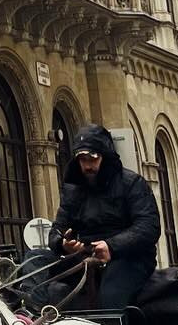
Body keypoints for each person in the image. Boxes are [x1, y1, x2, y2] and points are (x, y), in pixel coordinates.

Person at [44, 125, 160, 309]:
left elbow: (149, 226)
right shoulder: (73, 190)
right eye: (82, 160)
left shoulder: (132, 183)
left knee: (110, 297)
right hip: (85, 255)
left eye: (92, 159)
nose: (87, 166)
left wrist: (111, 247)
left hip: (128, 257)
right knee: (35, 263)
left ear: (105, 157)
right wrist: (62, 244)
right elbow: (57, 228)